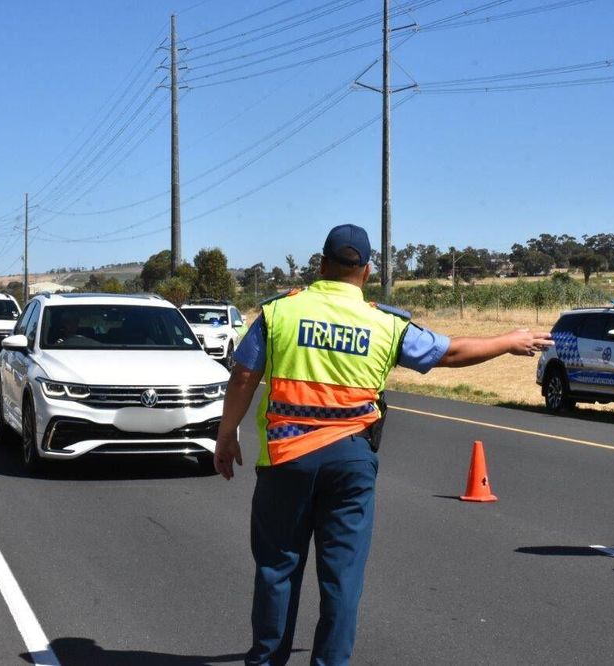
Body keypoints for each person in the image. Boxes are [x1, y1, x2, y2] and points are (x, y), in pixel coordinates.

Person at [214, 224, 553, 666]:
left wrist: (226, 434)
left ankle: (265, 660)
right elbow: (449, 353)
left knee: (277, 569)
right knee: (342, 578)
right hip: (351, 461)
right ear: (367, 271)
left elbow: (244, 374)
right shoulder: (384, 323)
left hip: (287, 459)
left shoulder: (280, 312)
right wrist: (509, 341)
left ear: (321, 264)